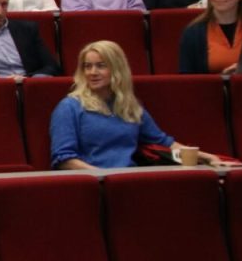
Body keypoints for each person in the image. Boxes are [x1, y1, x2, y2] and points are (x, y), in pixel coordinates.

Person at [51, 39, 223, 168]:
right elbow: (64, 158)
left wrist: (208, 157)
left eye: (101, 66)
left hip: (130, 178)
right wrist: (101, 176)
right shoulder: (69, 107)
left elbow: (164, 143)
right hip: (93, 182)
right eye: (87, 67)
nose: (92, 72)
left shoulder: (129, 106)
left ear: (117, 69)